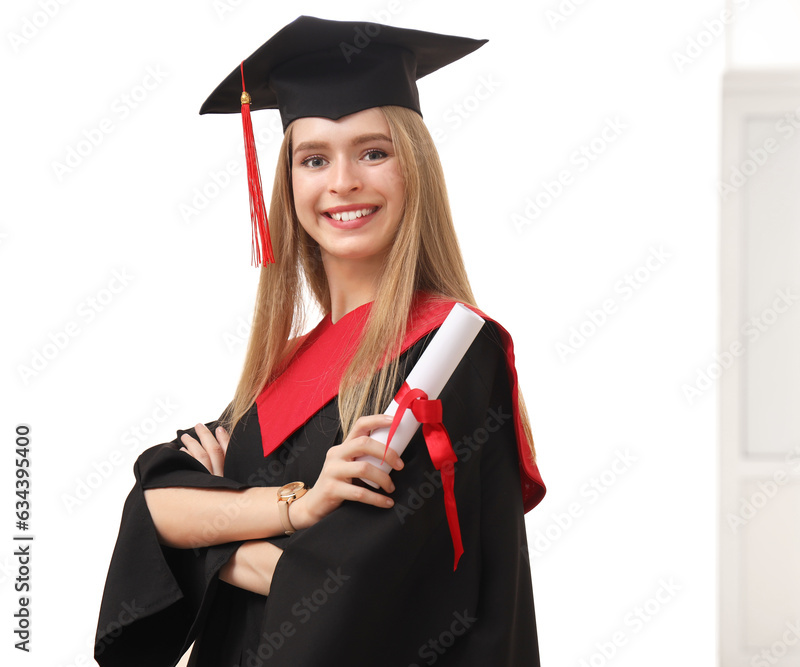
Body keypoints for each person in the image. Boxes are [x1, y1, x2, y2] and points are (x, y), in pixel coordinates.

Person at [94, 16, 545, 667]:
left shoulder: (447, 354)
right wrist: (300, 507)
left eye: (373, 151)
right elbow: (155, 503)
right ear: (290, 183)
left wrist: (217, 536)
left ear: (413, 169)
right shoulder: (281, 366)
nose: (342, 182)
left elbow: (365, 589)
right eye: (314, 158)